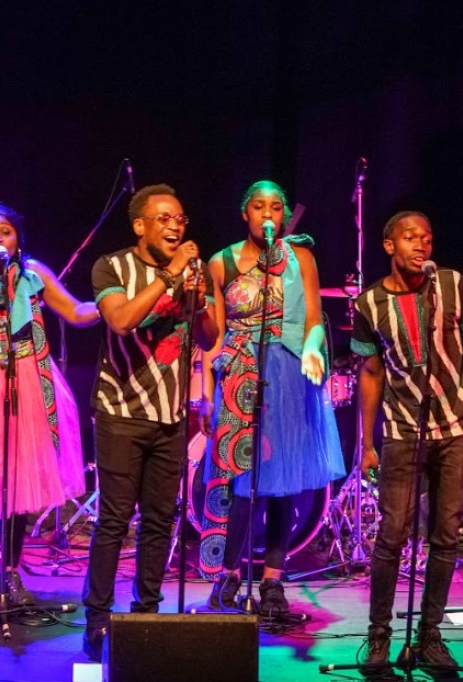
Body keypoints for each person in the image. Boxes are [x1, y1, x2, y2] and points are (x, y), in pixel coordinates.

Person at [352, 211, 463, 670]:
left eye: (427, 238)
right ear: (389, 245)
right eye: (410, 237)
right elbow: (371, 373)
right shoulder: (369, 303)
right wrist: (367, 441)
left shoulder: (452, 283)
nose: (421, 245)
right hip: (401, 431)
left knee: (445, 535)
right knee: (392, 534)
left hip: (455, 428)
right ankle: (378, 637)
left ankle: (430, 636)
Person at [82, 184, 218, 662]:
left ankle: (146, 612)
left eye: (180, 219)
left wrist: (198, 297)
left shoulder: (194, 271)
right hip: (120, 410)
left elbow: (208, 336)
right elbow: (121, 320)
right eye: (164, 219)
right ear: (139, 225)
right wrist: (170, 276)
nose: (176, 226)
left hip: (171, 414)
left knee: (161, 520)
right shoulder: (111, 266)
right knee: (115, 521)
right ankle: (97, 619)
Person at [200, 180, 345, 615]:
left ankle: (273, 581)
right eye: (259, 206)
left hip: (290, 373)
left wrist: (315, 346)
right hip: (240, 375)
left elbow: (316, 319)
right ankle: (227, 574)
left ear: (283, 216)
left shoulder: (301, 257)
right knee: (241, 482)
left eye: (277, 207)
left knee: (283, 483)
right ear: (244, 213)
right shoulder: (221, 262)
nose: (269, 213)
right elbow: (213, 338)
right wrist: (205, 395)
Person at [0, 203, 99, 609]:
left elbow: (73, 310)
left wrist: (112, 305)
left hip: (29, 381)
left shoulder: (33, 274)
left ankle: (11, 573)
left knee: (17, 484)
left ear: (18, 238)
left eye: (6, 232)